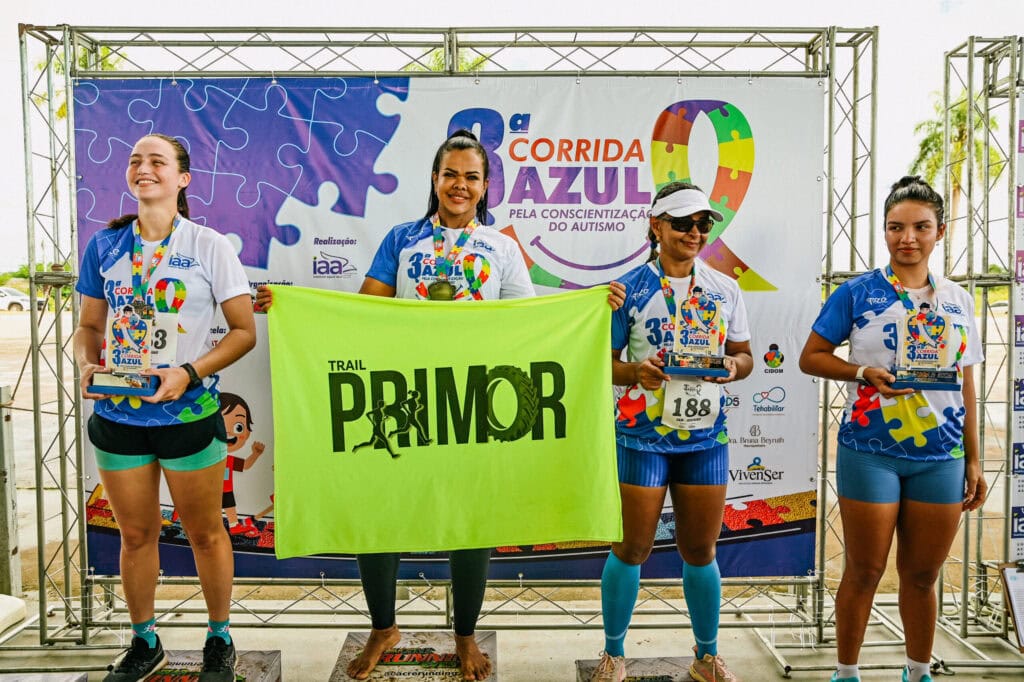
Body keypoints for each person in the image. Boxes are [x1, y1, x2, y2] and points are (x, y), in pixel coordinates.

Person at [257, 129, 624, 680]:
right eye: (450, 174)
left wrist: (592, 307)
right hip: (407, 400)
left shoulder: (502, 248)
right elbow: (364, 314)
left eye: (471, 177)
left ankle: (466, 636)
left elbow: (526, 328)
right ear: (434, 179)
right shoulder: (402, 239)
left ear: (485, 186)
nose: (460, 185)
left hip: (472, 404)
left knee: (472, 519)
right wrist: (293, 307)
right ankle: (383, 628)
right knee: (379, 513)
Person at [74, 133, 256, 682]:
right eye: (135, 160)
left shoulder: (208, 245)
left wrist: (188, 373)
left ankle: (219, 637)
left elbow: (243, 331)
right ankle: (144, 640)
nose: (143, 168)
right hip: (119, 416)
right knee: (135, 536)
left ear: (183, 178)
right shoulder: (105, 246)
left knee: (204, 534)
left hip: (188, 417)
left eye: (157, 160)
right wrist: (87, 364)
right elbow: (89, 326)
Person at [798, 176, 987, 682]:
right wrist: (862, 372)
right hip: (870, 450)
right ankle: (846, 673)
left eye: (921, 227)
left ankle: (918, 671)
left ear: (940, 231)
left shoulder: (957, 300)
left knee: (923, 576)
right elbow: (811, 357)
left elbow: (966, 384)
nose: (908, 238)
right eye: (896, 227)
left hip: (941, 456)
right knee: (864, 571)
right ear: (884, 231)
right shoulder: (857, 292)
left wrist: (973, 459)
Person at [592, 181, 753, 682]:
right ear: (656, 226)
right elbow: (603, 364)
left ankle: (707, 656)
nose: (695, 232)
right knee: (632, 549)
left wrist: (732, 366)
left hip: (705, 439)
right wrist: (635, 372)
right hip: (641, 436)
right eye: (683, 223)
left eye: (703, 223)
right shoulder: (627, 289)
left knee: (701, 551)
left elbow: (745, 356)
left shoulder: (724, 288)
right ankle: (614, 654)